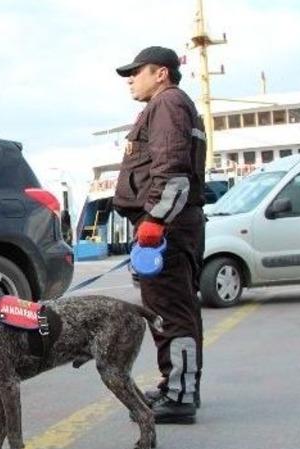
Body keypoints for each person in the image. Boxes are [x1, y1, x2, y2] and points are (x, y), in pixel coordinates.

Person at [113, 46, 206, 424]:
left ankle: (180, 397)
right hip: (173, 225)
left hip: (166, 227)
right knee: (175, 310)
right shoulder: (172, 105)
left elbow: (172, 170)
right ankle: (177, 387)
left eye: (137, 72)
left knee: (171, 313)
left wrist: (154, 222)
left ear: (162, 73)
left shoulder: (167, 104)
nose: (131, 80)